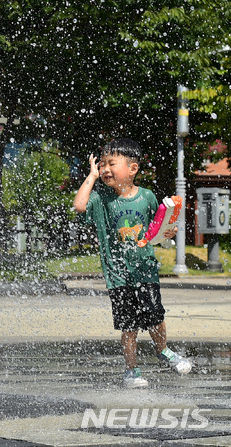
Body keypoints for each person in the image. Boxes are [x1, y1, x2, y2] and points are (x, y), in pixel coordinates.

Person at [73, 138, 192, 388]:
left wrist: (165, 234)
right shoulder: (100, 199)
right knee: (129, 325)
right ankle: (132, 370)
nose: (105, 169)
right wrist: (91, 177)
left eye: (111, 164)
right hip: (117, 275)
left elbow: (153, 231)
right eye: (102, 164)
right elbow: (79, 205)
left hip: (144, 270)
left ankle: (164, 351)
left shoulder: (147, 197)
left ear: (133, 169)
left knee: (155, 315)